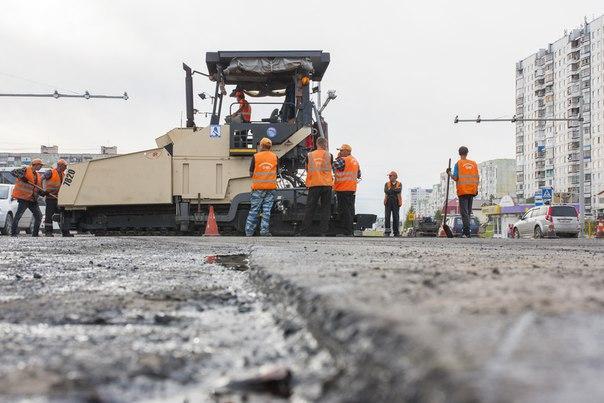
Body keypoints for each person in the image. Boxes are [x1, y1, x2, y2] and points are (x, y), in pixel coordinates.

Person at [245, 138, 278, 236]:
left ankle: (249, 232)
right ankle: (264, 231)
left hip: (258, 188)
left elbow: (251, 173)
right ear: (270, 147)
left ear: (261, 146)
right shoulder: (275, 157)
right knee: (266, 211)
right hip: (270, 188)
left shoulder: (256, 157)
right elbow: (276, 172)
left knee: (254, 210)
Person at [301, 137, 333, 236]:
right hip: (327, 185)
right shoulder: (330, 155)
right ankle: (323, 232)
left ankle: (305, 231)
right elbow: (331, 167)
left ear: (317, 144)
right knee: (325, 209)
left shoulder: (310, 155)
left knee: (310, 208)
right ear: (325, 145)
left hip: (314, 184)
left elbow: (307, 168)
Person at [447, 146, 479, 238]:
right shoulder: (474, 164)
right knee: (468, 212)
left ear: (459, 153)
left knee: (464, 213)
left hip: (463, 191)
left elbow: (455, 177)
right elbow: (477, 177)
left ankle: (466, 233)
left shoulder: (458, 164)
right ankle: (467, 232)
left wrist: (449, 173)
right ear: (467, 153)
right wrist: (476, 189)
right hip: (472, 191)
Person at [10, 159, 44, 237]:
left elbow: (37, 188)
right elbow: (13, 172)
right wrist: (22, 177)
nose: (41, 167)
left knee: (39, 216)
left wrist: (43, 193)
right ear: (35, 164)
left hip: (32, 199)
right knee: (18, 215)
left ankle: (35, 234)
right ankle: (13, 233)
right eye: (40, 165)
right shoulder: (25, 170)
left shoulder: (37, 175)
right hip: (23, 198)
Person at [333, 144, 361, 236]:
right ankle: (350, 231)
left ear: (347, 151)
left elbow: (333, 166)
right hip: (351, 189)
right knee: (350, 210)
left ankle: (346, 231)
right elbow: (359, 174)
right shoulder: (355, 161)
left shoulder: (343, 160)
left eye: (341, 150)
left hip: (343, 188)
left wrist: (337, 158)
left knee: (344, 211)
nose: (340, 152)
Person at [42, 159, 72, 237]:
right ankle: (48, 232)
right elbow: (42, 179)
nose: (65, 168)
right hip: (50, 198)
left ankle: (65, 232)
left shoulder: (63, 175)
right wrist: (44, 190)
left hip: (59, 198)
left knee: (62, 215)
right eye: (64, 166)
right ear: (60, 166)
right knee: (49, 216)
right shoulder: (50, 172)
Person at [383, 171, 402, 237]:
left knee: (396, 217)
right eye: (389, 176)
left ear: (395, 177)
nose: (389, 177)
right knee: (387, 216)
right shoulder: (386, 184)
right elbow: (386, 191)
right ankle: (387, 232)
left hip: (396, 202)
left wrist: (391, 190)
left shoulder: (399, 184)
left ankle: (396, 232)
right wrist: (394, 190)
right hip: (388, 201)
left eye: (390, 176)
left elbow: (398, 190)